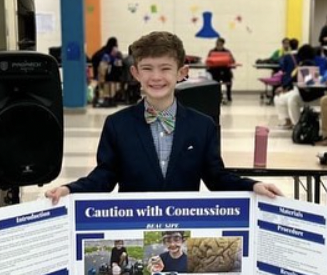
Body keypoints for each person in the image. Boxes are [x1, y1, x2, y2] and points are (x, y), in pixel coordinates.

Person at [45, 31, 282, 200]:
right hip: (132, 227)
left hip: (184, 227)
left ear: (182, 73)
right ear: (135, 73)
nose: (156, 77)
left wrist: (254, 186)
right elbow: (105, 176)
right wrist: (70, 189)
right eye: (147, 68)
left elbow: (216, 177)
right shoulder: (117, 124)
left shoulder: (203, 126)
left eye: (165, 68)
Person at [275, 44, 317, 129]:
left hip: (306, 93)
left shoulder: (308, 63)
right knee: (280, 98)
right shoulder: (305, 63)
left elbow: (305, 82)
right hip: (300, 91)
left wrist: (284, 87)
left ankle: (298, 125)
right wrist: (285, 87)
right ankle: (289, 122)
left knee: (291, 99)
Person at [206, 37, 236, 104]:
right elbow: (208, 61)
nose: (218, 45)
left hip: (225, 71)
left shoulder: (227, 52)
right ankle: (217, 96)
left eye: (220, 44)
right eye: (217, 44)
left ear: (223, 44)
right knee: (215, 79)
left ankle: (228, 96)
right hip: (215, 71)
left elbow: (233, 61)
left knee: (228, 76)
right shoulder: (212, 51)